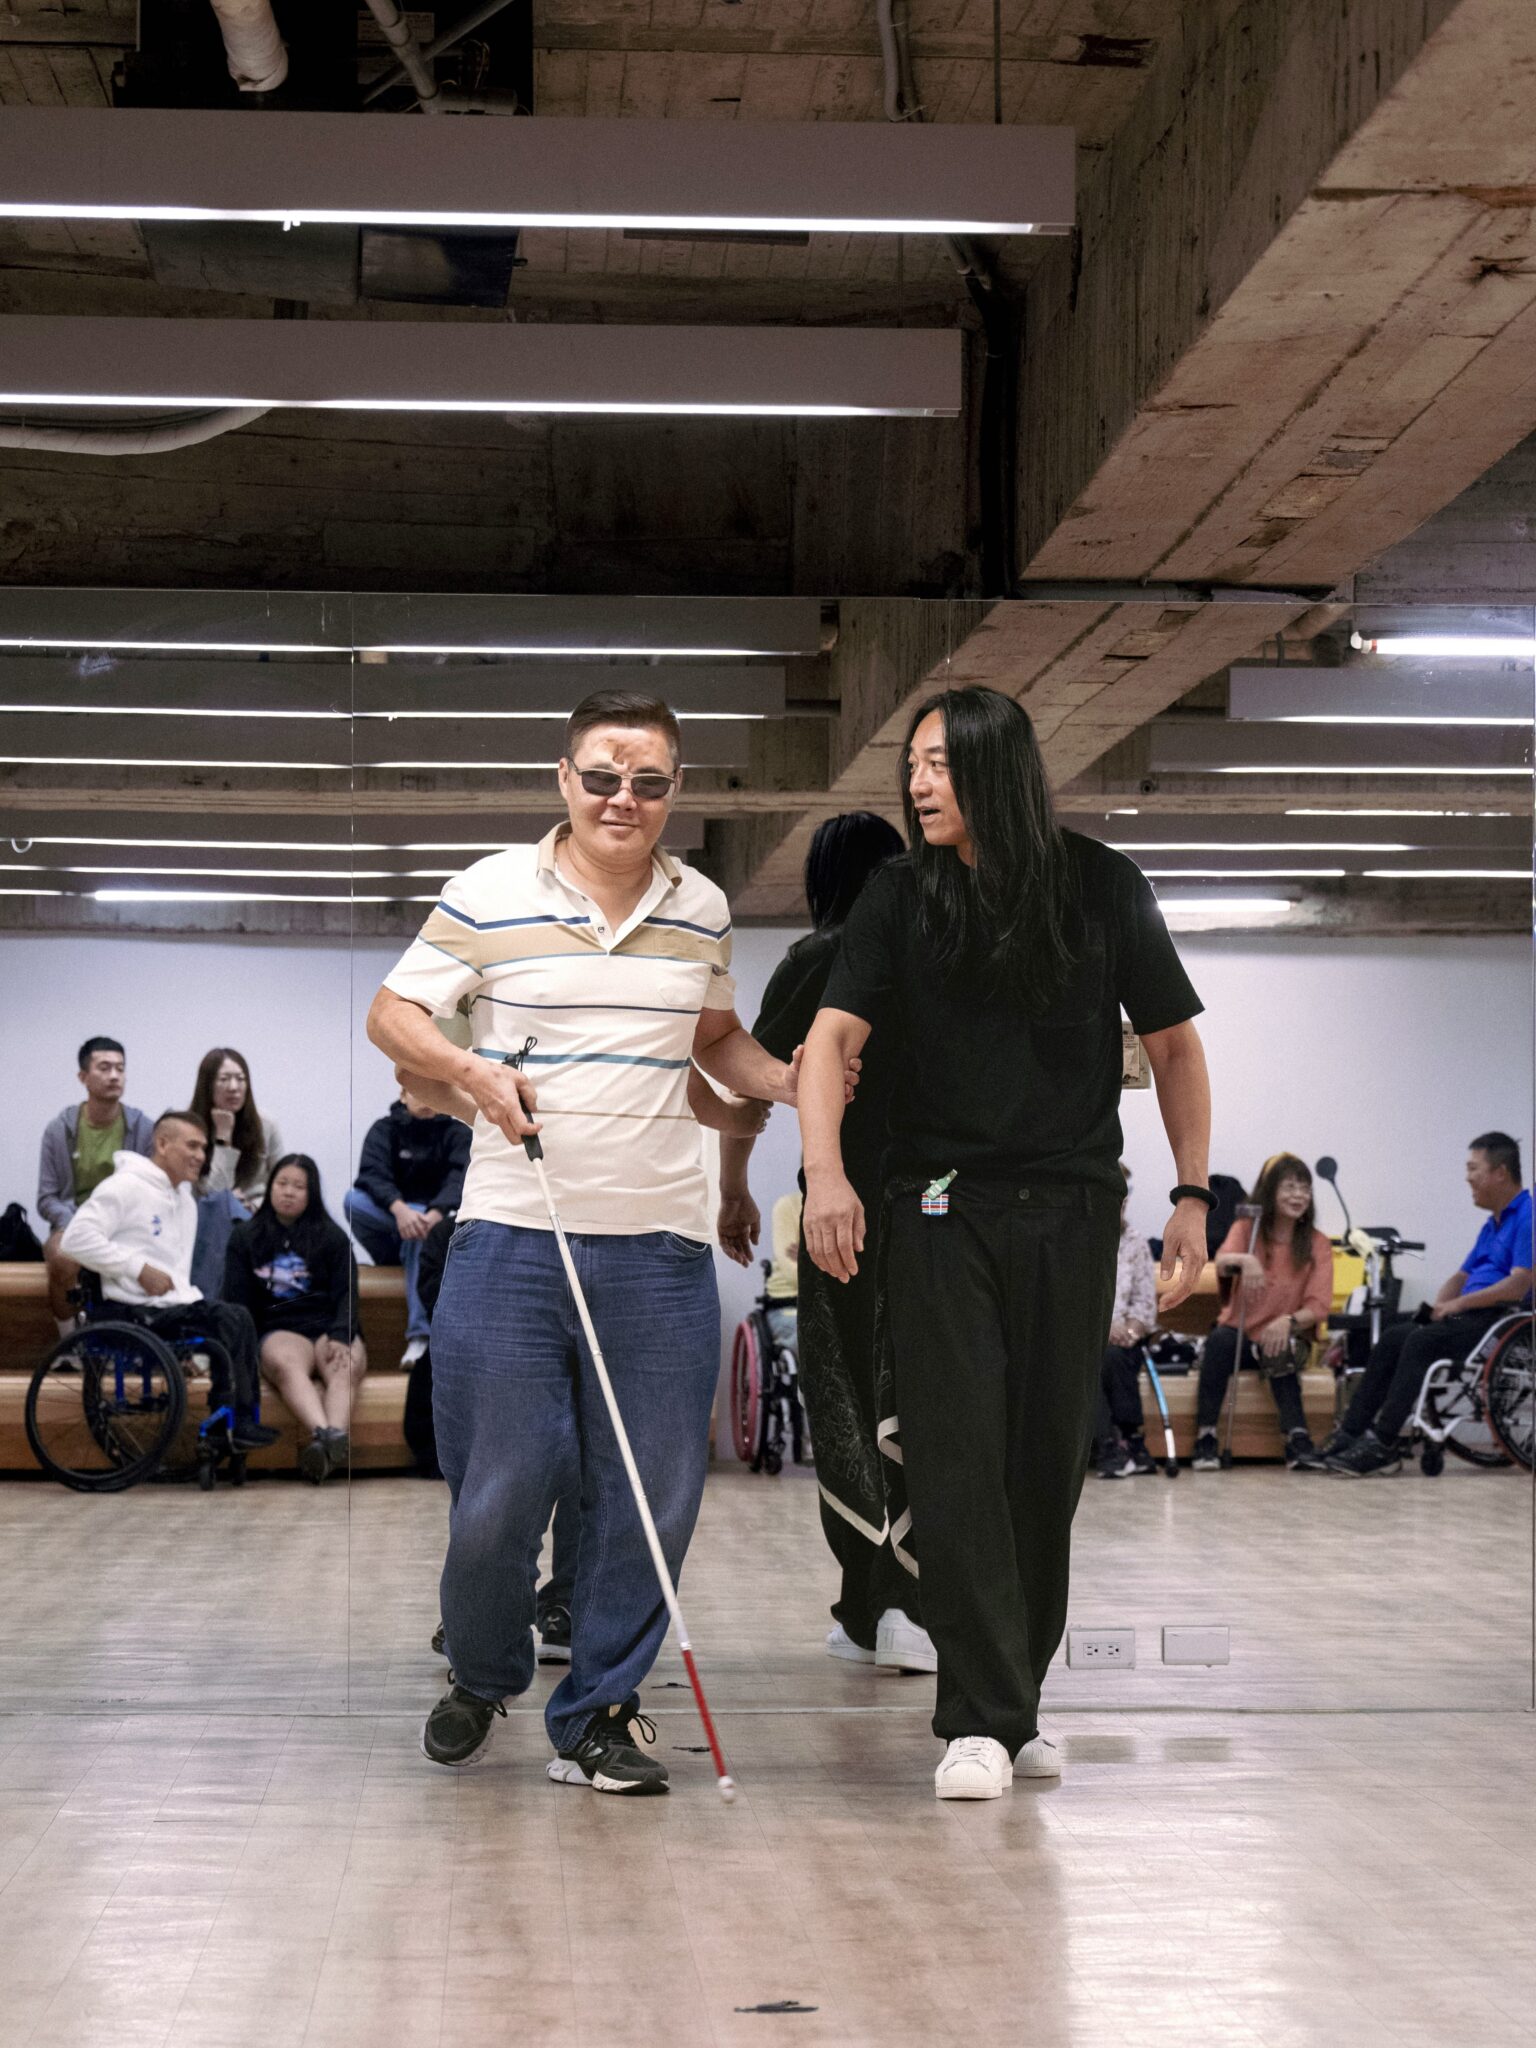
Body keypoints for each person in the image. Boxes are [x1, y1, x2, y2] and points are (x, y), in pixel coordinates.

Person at [365, 687, 852, 1791]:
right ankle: (483, 1671)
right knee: (500, 1487)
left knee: (651, 1495)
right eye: (601, 777)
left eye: (648, 782)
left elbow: (714, 1042)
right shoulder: (489, 889)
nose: (622, 798)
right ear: (565, 779)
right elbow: (393, 1014)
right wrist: (471, 1069)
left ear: (676, 789)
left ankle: (598, 1712)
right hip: (512, 1237)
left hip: (660, 1250)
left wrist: (792, 1081)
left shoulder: (702, 906)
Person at [798, 686, 1211, 1802]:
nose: (918, 782)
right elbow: (829, 1040)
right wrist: (826, 1173)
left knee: (1044, 1459)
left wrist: (1190, 1195)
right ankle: (977, 1719)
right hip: (939, 1202)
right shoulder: (898, 893)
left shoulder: (1101, 885)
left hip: (1073, 1207)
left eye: (939, 762)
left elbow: (1175, 1046)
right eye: (913, 764)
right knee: (957, 1453)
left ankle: (1012, 1702)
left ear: (997, 767)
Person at [719, 811, 936, 1675]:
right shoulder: (934, 954)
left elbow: (747, 1088)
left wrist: (734, 1188)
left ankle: (878, 1606)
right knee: (921, 1401)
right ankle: (900, 1606)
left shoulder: (820, 959)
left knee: (846, 1397)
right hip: (937, 1213)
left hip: (841, 1212)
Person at [58, 1110, 278, 1452]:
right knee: (231, 1318)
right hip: (129, 1307)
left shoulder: (184, 1198)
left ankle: (237, 1421)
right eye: (192, 1146)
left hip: (168, 1305)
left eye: (203, 1148)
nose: (200, 1156)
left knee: (239, 1315)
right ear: (162, 1144)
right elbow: (75, 1240)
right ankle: (234, 1423)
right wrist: (136, 1268)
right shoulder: (125, 1186)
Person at [1326, 1132, 1533, 1475]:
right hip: (1469, 1315)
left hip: (1500, 1319)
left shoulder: (1529, 1215)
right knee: (1394, 1335)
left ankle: (1385, 1442)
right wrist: (1441, 1306)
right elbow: (1461, 1276)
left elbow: (1519, 1285)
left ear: (1500, 1172)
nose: (1467, 1177)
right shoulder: (1492, 1225)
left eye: (1473, 1168)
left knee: (1421, 1341)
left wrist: (1459, 1306)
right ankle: (1349, 1434)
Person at [223, 1154, 366, 1484]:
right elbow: (236, 1300)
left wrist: (341, 1334)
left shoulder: (333, 1237)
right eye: (282, 1183)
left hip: (330, 1326)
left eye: (299, 1186)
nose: (288, 1192)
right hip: (280, 1329)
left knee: (344, 1366)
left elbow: (348, 1293)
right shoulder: (244, 1237)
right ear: (270, 1187)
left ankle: (326, 1445)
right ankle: (328, 1437)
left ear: (311, 1193)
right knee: (287, 1366)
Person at [1190, 1154, 1331, 1472]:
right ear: (1270, 1192)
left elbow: (1318, 1305)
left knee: (1279, 1347)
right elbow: (1222, 1263)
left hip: (1288, 1335)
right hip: (1241, 1334)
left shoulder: (1317, 1243)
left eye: (1305, 1189)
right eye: (1290, 1187)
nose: (1298, 1196)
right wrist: (1246, 1260)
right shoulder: (1247, 1229)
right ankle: (1206, 1437)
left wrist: (1289, 1321)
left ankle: (1297, 1439)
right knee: (1219, 1341)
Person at [37, 1037, 155, 1338]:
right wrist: (77, 1223)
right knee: (61, 1258)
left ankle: (139, 1338)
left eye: (120, 1068)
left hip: (125, 1223)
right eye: (104, 1068)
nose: (114, 1076)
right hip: (73, 1220)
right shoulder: (60, 1129)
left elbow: (149, 1188)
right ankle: (69, 1340)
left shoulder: (142, 1127)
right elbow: (47, 1198)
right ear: (83, 1077)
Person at [344, 1085, 471, 1367]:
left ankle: (420, 1337)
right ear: (403, 1095)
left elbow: (459, 1179)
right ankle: (407, 1238)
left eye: (433, 1092)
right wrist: (400, 1209)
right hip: (393, 1220)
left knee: (420, 1235)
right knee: (353, 1201)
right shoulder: (384, 1129)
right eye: (418, 1091)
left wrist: (435, 1213)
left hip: (434, 1226)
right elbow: (372, 1175)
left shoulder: (457, 1133)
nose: (425, 1098)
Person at [188, 1048, 284, 1301]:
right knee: (222, 1205)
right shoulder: (191, 1127)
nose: (234, 1087)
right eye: (224, 1079)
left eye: (240, 1079)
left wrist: (258, 1205)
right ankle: (211, 1302)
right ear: (207, 1085)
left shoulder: (266, 1124)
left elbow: (280, 1180)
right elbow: (214, 1192)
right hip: (207, 1220)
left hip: (257, 1214)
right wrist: (223, 1137)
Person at [1093, 1167, 1161, 1478]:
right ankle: (1108, 1442)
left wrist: (1130, 1331)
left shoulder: (1135, 1243)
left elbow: (1145, 1304)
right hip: (1084, 1340)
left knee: (1115, 1356)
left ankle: (1130, 1438)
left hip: (1125, 1339)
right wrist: (1103, 1331)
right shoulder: (1073, 1242)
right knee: (1089, 1362)